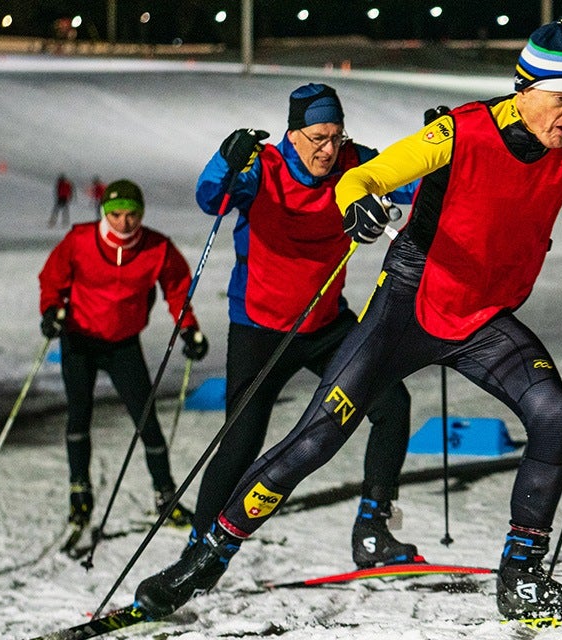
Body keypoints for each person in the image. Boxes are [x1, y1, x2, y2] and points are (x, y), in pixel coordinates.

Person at [135, 22, 562, 620]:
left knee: (552, 411)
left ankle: (522, 579)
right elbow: (363, 177)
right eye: (561, 98)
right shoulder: (460, 131)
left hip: (482, 316)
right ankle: (205, 560)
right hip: (408, 306)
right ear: (525, 88)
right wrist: (356, 203)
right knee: (316, 438)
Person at [182, 83, 419, 570]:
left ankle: (371, 531)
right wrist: (226, 159)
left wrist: (442, 142)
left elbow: (415, 180)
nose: (328, 149)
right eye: (317, 137)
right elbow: (212, 199)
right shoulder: (264, 167)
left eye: (335, 136)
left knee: (391, 403)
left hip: (325, 324)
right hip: (259, 328)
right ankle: (198, 551)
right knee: (242, 442)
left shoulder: (355, 163)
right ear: (293, 134)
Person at [39, 179, 210, 533]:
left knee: (147, 421)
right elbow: (52, 279)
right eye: (115, 214)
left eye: (131, 215)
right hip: (79, 340)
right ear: (105, 213)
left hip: (123, 344)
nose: (123, 222)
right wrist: (51, 310)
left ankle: (165, 496)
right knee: (79, 417)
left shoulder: (157, 247)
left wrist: (189, 328)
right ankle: (79, 493)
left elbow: (177, 289)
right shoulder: (80, 240)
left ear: (141, 214)